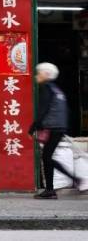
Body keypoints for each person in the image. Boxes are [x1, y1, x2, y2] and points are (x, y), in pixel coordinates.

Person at [28, 62, 82, 199]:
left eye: (38, 73)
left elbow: (44, 109)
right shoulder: (57, 89)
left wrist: (34, 126)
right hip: (59, 127)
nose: (36, 76)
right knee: (48, 156)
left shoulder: (47, 87)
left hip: (53, 127)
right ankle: (52, 189)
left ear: (46, 74)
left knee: (46, 157)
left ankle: (52, 189)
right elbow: (66, 110)